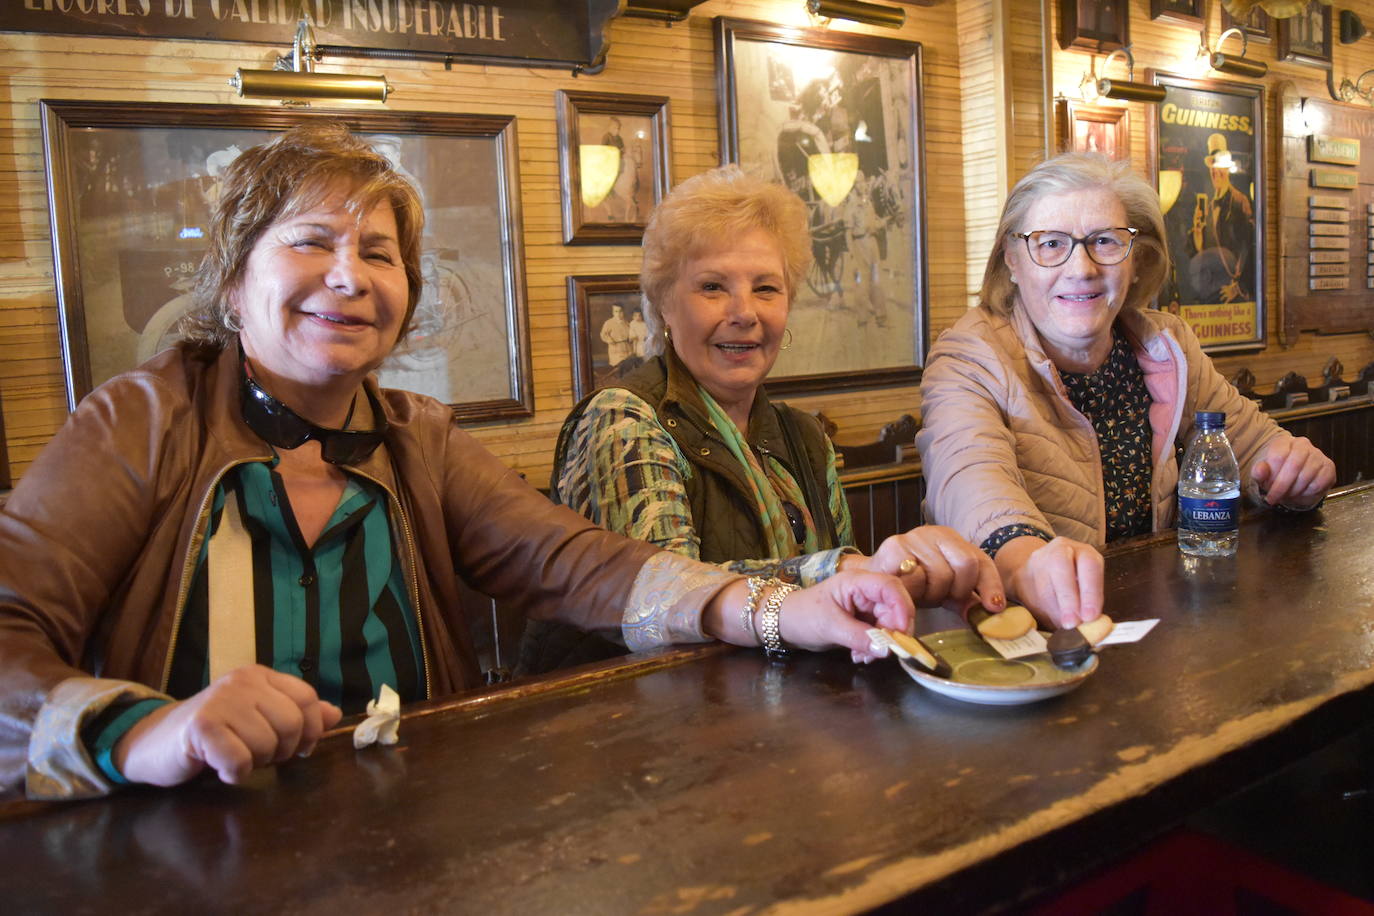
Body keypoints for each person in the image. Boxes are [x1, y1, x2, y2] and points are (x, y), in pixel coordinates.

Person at [0, 125, 926, 801]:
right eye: (311, 242)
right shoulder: (145, 419)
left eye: (378, 252)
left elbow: (587, 565)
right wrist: (140, 730)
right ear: (236, 281)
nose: (350, 276)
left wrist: (776, 608)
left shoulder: (418, 437)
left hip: (416, 840)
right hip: (183, 854)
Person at [522, 165, 1002, 673]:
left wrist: (902, 578)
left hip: (782, 708)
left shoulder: (804, 435)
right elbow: (666, 598)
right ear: (663, 302)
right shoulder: (622, 420)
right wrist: (846, 568)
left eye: (766, 289)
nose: (744, 312)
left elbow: (842, 605)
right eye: (712, 287)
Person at [917, 152, 1335, 631]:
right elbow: (971, 481)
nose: (1082, 268)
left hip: (1154, 622)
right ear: (1012, 260)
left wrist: (1294, 469)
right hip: (1021, 633)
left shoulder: (1167, 346)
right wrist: (1026, 560)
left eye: (1105, 242)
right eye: (1051, 244)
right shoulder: (969, 354)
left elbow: (1253, 444)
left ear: (1137, 260)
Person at [1187, 133, 1254, 304]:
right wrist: (1197, 235)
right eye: (1212, 167)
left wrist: (1238, 286)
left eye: (1220, 166)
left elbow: (1250, 246)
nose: (1216, 171)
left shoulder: (1240, 201)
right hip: (1212, 292)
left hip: (1233, 295)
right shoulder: (1208, 207)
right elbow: (1201, 255)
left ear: (1227, 169)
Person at [599, 302, 633, 369]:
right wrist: (609, 339)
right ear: (613, 312)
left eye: (620, 311)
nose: (618, 314)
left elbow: (631, 333)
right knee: (618, 364)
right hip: (616, 347)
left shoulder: (626, 323)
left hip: (626, 347)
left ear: (623, 312)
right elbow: (603, 334)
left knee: (628, 364)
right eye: (616, 311)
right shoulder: (609, 323)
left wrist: (630, 338)